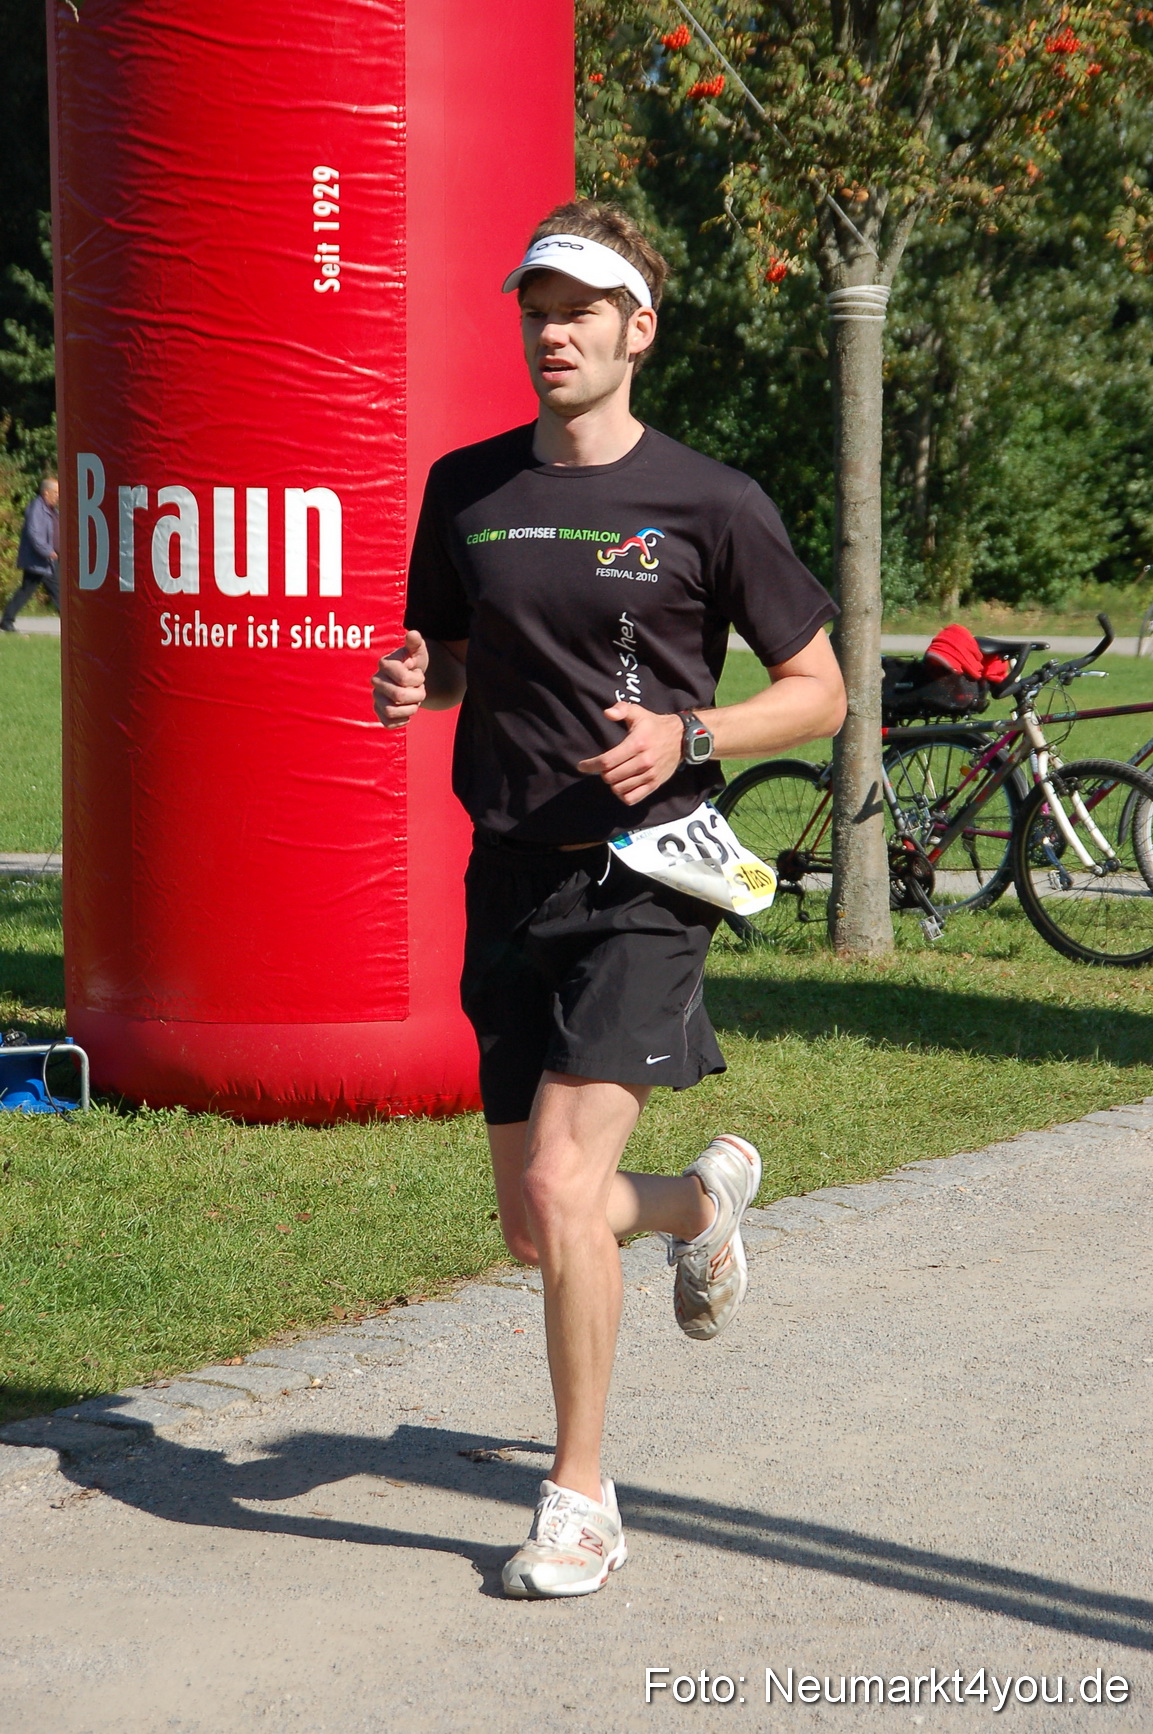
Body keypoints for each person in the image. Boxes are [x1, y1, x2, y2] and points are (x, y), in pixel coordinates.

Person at [372, 201, 846, 1599]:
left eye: (582, 307)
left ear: (639, 327)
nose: (553, 329)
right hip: (509, 871)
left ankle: (580, 1496)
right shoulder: (466, 489)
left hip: (647, 877)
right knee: (535, 1221)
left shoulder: (712, 502)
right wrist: (419, 682)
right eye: (536, 306)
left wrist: (692, 735)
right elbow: (454, 660)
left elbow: (819, 689)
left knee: (569, 1187)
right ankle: (701, 1205)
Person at [1, 474, 60, 632]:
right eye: (56, 493)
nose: (58, 497)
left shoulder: (51, 510)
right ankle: (73, 624)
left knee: (27, 590)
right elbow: (35, 534)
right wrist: (48, 552)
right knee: (58, 590)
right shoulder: (37, 509)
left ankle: (7, 619)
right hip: (40, 560)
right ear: (46, 492)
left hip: (45, 560)